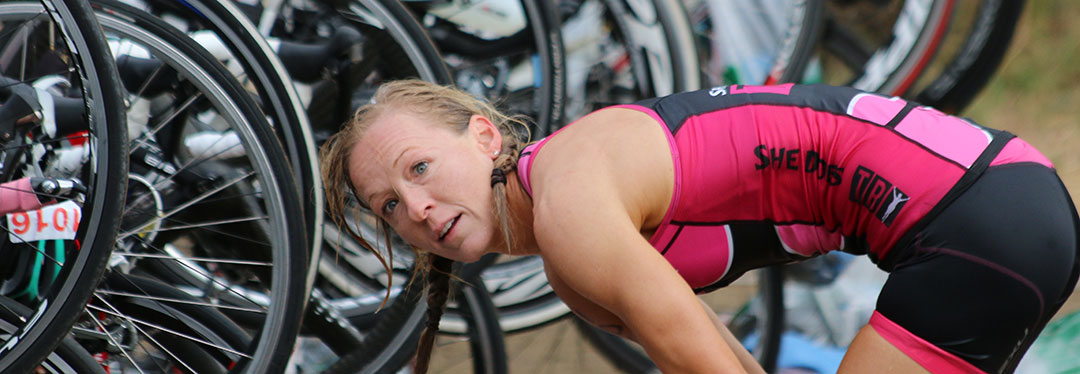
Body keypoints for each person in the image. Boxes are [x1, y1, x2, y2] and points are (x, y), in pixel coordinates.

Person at [320, 79, 1080, 374]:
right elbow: (727, 361)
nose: (415, 209)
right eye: (388, 207)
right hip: (997, 206)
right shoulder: (569, 266)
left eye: (418, 170)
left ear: (484, 136)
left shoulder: (570, 199)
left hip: (973, 215)